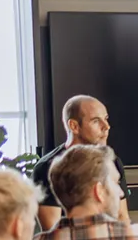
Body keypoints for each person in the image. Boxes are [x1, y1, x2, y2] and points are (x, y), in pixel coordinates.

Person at [32, 95, 129, 231]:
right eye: (96, 121)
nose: (106, 127)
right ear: (74, 126)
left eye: (106, 119)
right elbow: (51, 229)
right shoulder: (46, 168)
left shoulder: (111, 161)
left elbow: (122, 216)